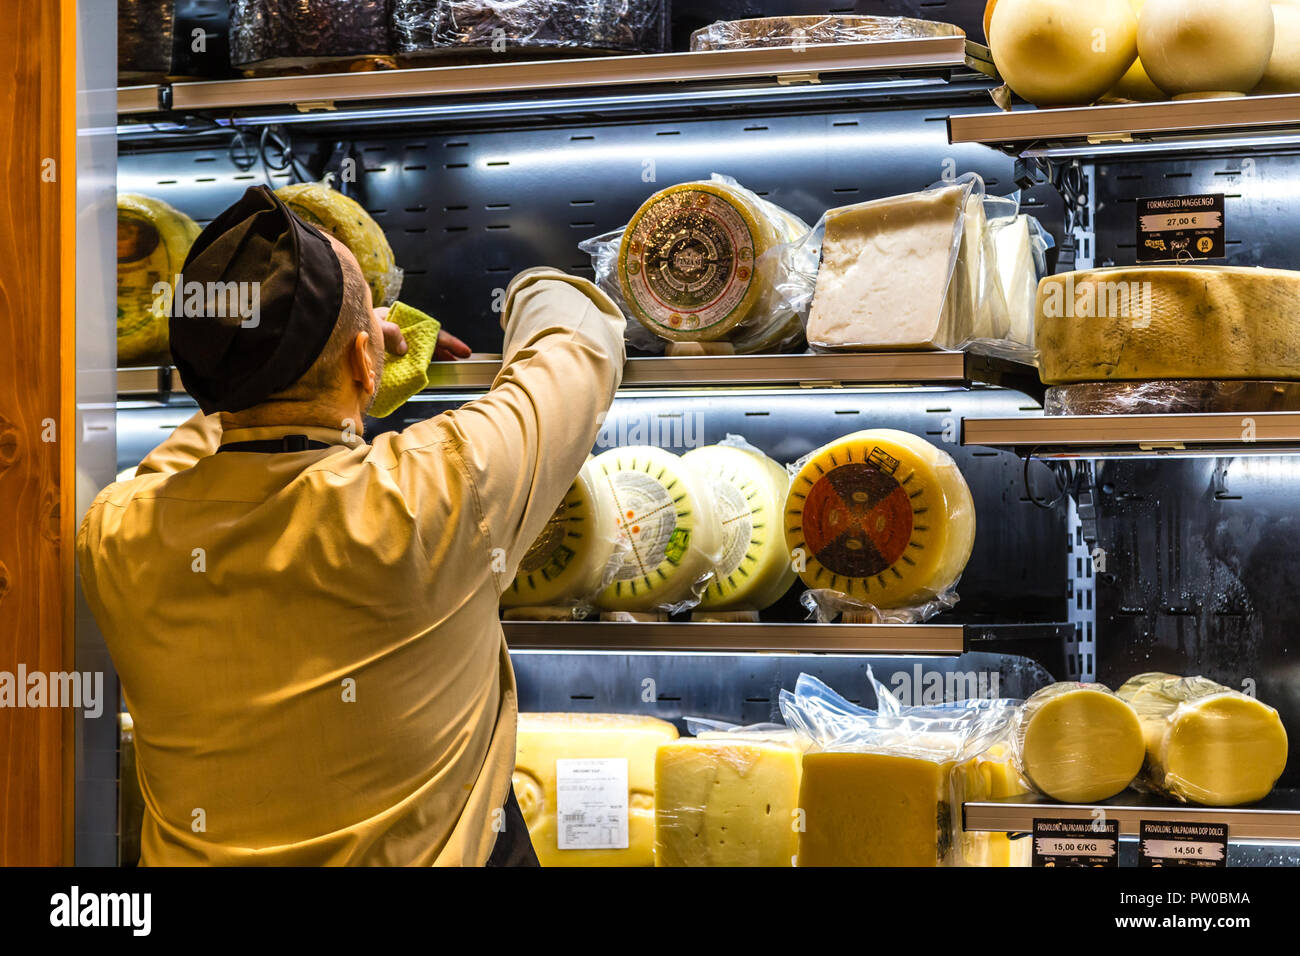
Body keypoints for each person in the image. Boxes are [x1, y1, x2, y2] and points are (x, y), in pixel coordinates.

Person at [77, 185, 626, 865]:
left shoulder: (116, 530)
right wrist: (533, 277)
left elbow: (208, 439)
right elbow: (576, 346)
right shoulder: (439, 488)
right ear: (369, 361)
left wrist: (334, 361)